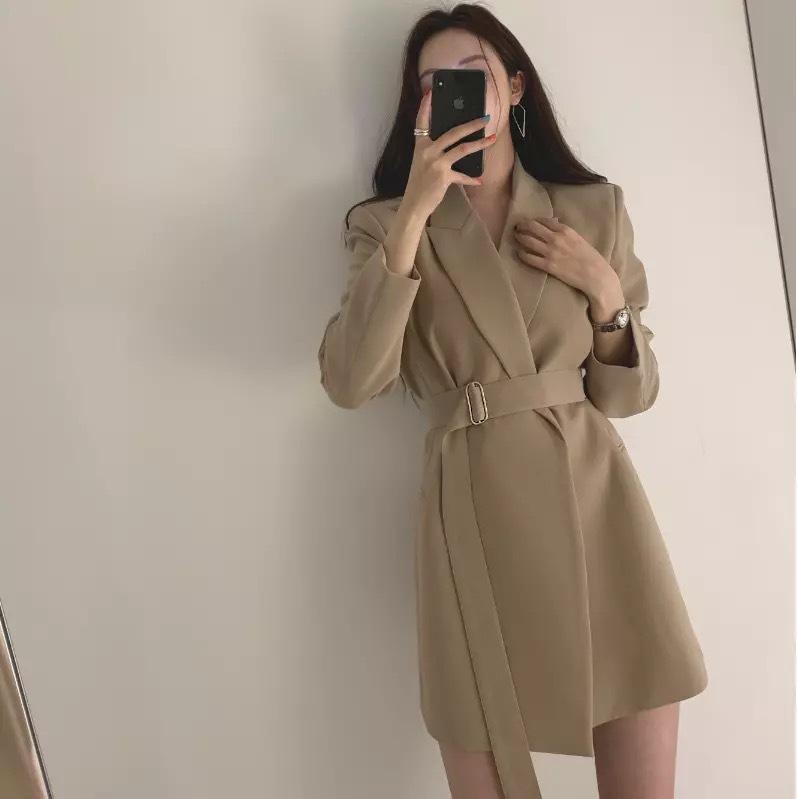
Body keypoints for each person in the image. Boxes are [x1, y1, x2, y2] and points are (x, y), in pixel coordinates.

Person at [317, 5, 708, 798]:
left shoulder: (592, 209)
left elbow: (627, 395)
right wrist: (415, 211)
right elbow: (352, 381)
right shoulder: (383, 225)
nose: (451, 95)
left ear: (514, 87)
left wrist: (603, 289)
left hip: (595, 508)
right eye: (432, 83)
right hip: (472, 515)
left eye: (472, 76)